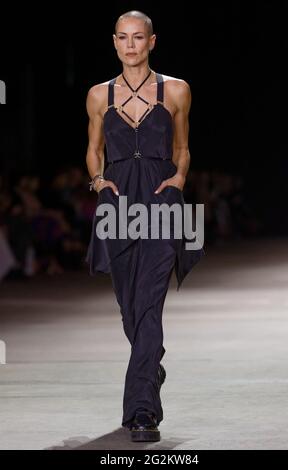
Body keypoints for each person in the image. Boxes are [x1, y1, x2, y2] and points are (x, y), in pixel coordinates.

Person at [85, 10, 205, 442]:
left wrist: (179, 179)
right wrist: (98, 181)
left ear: (152, 42)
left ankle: (142, 413)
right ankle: (150, 364)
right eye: (122, 37)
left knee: (150, 303)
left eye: (138, 37)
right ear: (114, 42)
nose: (130, 45)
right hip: (117, 204)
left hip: (161, 200)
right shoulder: (99, 95)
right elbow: (93, 149)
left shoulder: (176, 90)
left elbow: (182, 145)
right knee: (129, 306)